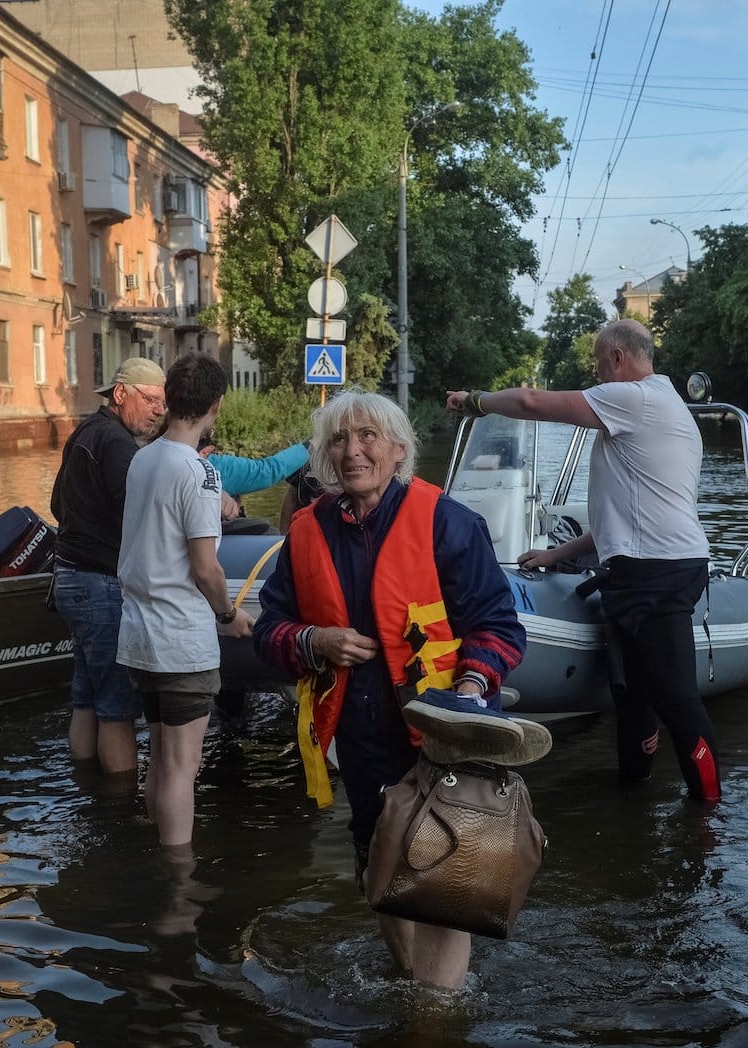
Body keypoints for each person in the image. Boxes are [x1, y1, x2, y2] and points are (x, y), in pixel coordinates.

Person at [252, 387, 527, 990]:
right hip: (358, 738)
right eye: (339, 440)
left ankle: (435, 1013)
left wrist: (474, 685)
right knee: (380, 873)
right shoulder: (305, 532)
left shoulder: (448, 522)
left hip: (442, 734)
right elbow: (268, 632)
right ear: (323, 456)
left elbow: (500, 628)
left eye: (368, 436)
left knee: (441, 882)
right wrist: (313, 641)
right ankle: (409, 983)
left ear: (399, 449)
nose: (353, 451)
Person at [445, 318, 722, 802]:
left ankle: (712, 817)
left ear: (617, 359)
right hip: (651, 567)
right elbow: (628, 520)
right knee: (633, 697)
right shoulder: (667, 407)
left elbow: (533, 403)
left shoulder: (634, 398)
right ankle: (635, 797)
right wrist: (557, 553)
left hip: (655, 574)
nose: (595, 373)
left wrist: (475, 402)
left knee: (677, 699)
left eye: (597, 363)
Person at [115, 353, 255, 848]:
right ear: (217, 403)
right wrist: (229, 615)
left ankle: (155, 853)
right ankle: (177, 884)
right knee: (182, 767)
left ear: (171, 399)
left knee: (161, 757)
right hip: (181, 640)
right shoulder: (199, 473)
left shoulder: (142, 459)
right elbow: (205, 568)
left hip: (138, 637)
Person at [50, 357, 167, 777]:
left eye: (163, 404)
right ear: (121, 394)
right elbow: (135, 514)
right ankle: (118, 810)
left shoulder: (84, 431)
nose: (159, 410)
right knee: (118, 709)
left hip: (69, 581)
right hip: (102, 586)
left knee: (86, 700)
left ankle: (86, 792)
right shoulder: (117, 443)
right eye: (151, 400)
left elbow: (55, 506)